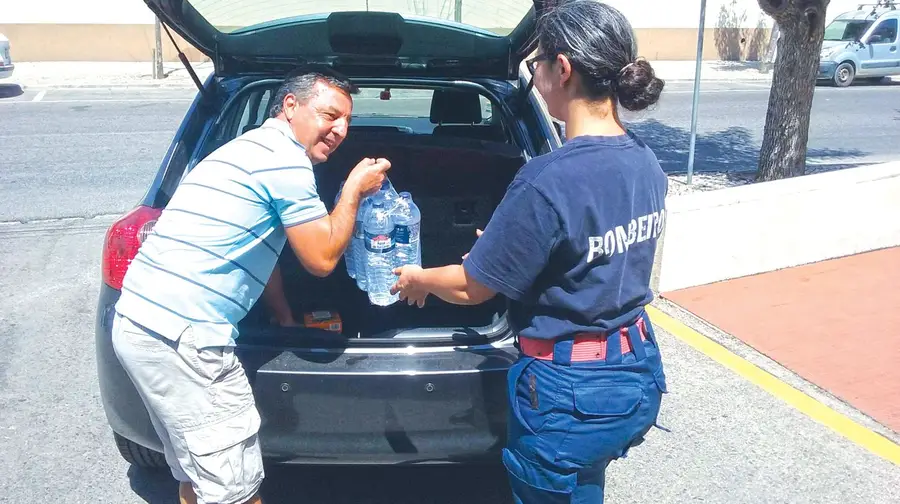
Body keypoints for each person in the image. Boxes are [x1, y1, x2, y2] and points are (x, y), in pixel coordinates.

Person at [391, 1, 668, 502]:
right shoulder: (645, 161)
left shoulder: (547, 179)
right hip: (635, 375)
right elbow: (596, 255)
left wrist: (416, 279)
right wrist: (511, 251)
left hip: (570, 395)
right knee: (583, 483)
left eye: (536, 62)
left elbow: (473, 288)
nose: (534, 73)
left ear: (562, 69)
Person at [111, 69, 391, 504]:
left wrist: (283, 317)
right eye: (330, 115)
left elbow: (258, 247)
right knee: (234, 492)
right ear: (291, 107)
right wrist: (353, 188)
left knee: (197, 475)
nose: (340, 130)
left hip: (140, 324)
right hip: (188, 340)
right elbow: (320, 260)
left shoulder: (244, 149)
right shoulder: (285, 161)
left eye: (347, 122)